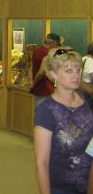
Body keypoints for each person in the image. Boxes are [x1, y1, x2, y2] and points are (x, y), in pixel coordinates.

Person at [34, 48, 93, 194]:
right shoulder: (46, 110)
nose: (75, 75)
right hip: (60, 187)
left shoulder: (87, 102)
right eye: (68, 71)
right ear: (54, 74)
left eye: (77, 70)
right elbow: (42, 162)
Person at [30, 33, 61, 108]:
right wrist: (34, 83)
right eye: (57, 45)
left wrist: (31, 81)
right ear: (54, 43)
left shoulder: (37, 51)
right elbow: (41, 72)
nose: (57, 47)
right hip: (45, 89)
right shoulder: (48, 54)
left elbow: (30, 67)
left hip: (38, 90)